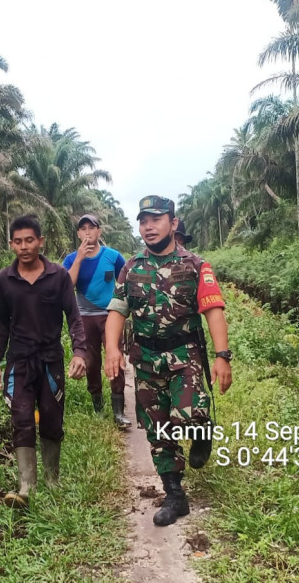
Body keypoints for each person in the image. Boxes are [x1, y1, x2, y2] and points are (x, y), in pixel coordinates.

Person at [104, 195, 233, 527]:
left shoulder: (195, 265)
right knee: (158, 430)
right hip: (145, 360)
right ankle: (175, 495)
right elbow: (117, 311)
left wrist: (222, 357)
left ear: (173, 224)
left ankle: (201, 429)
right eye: (143, 220)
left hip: (184, 355)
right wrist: (112, 350)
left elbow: (214, 311)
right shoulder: (132, 268)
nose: (148, 226)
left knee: (188, 413)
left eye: (156, 219)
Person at [0, 215, 88, 508]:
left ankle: (53, 480)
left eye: (29, 240)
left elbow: (74, 318)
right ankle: (26, 486)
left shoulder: (58, 277)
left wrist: (80, 352)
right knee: (21, 419)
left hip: (51, 361)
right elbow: (0, 327)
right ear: (11, 244)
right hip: (18, 362)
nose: (24, 246)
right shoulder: (2, 281)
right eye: (17, 241)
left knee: (52, 418)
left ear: (40, 241)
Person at [61, 214, 131, 427]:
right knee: (91, 363)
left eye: (92, 228)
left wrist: (126, 311)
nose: (88, 232)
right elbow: (66, 286)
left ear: (99, 231)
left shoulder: (113, 256)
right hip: (84, 318)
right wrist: (80, 258)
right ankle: (98, 407)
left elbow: (126, 281)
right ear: (78, 234)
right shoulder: (71, 259)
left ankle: (119, 411)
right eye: (83, 229)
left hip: (111, 316)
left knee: (115, 358)